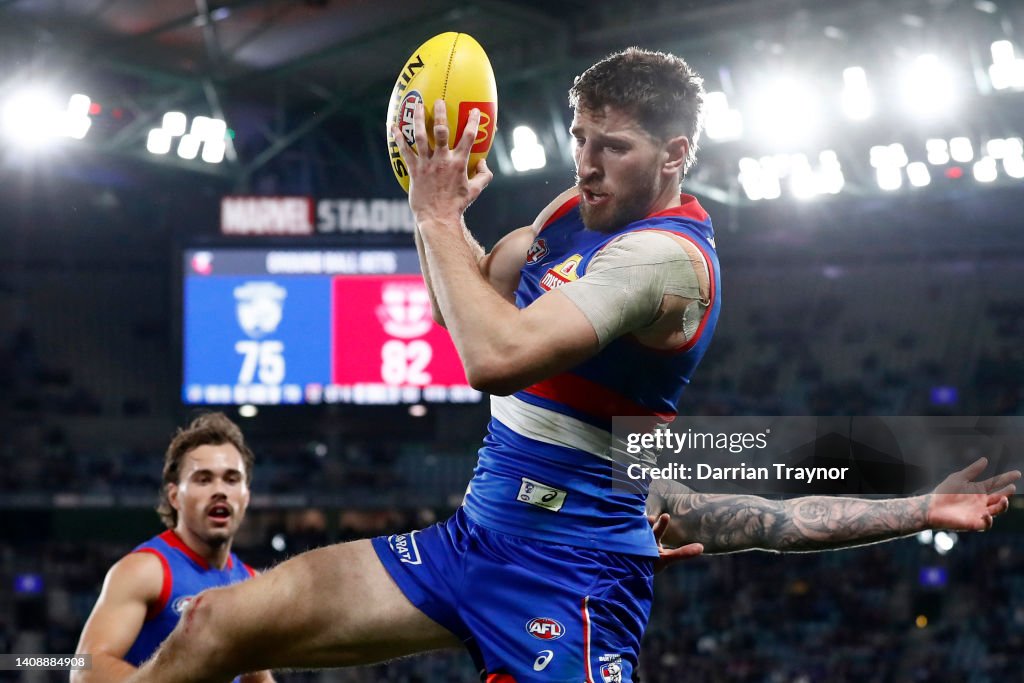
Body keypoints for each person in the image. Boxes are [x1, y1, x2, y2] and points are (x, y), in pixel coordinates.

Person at [125, 48, 1019, 683]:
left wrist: (432, 217)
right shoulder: (572, 209)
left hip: (570, 584)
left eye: (614, 147)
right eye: (580, 137)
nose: (587, 166)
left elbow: (493, 354)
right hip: (468, 545)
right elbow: (473, 293)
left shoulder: (667, 261)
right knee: (213, 625)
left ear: (676, 156)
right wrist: (441, 216)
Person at [72, 412, 273, 683]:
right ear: (175, 496)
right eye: (204, 479)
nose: (220, 490)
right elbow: (86, 668)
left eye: (231, 479)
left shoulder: (251, 585)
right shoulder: (145, 571)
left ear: (246, 496)